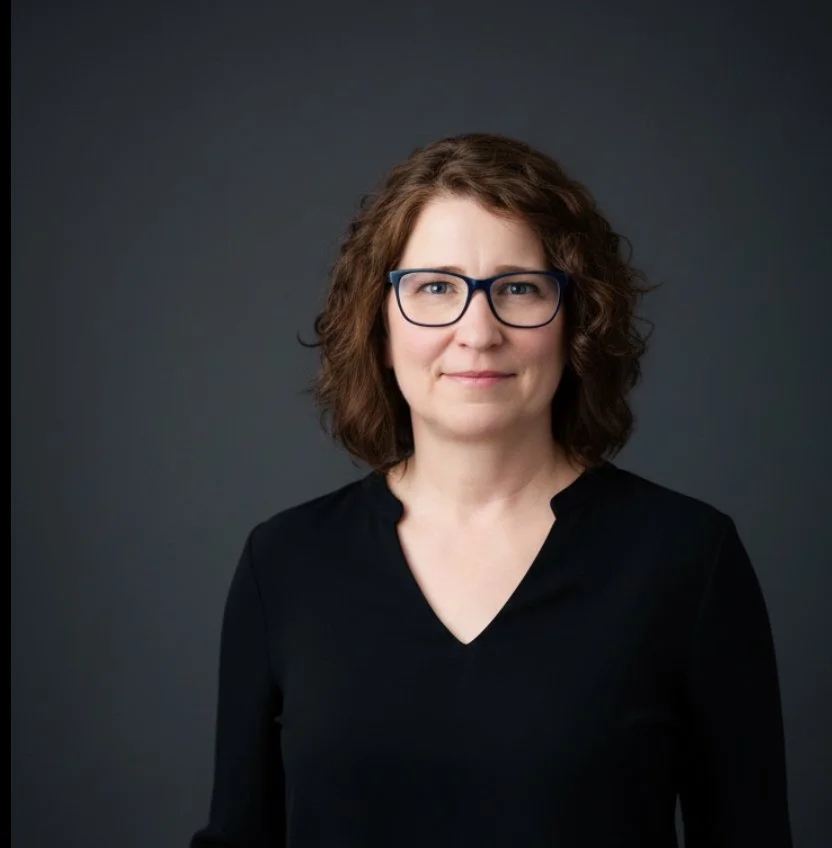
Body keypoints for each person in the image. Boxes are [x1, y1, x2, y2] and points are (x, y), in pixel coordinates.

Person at [190, 132, 793, 847]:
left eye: (518, 288)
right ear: (380, 327)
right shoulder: (283, 563)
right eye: (435, 288)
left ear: (576, 323)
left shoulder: (688, 558)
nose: (477, 331)